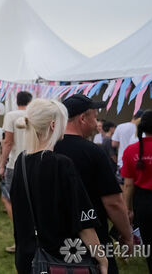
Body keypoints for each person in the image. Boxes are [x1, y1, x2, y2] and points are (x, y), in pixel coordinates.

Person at [10, 99, 107, 274]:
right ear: (53, 125)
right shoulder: (61, 164)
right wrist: (101, 257)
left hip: (28, 257)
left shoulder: (21, 162)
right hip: (61, 259)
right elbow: (83, 221)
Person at [54, 94, 133, 274]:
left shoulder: (48, 149)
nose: (97, 123)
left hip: (54, 241)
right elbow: (113, 202)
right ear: (83, 118)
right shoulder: (93, 152)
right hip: (93, 241)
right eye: (95, 117)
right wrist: (127, 235)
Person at [122, 110, 152, 273]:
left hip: (143, 203)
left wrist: (128, 209)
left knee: (150, 245)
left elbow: (128, 185)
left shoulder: (131, 150)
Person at [0, 90, 32, 254]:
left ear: (17, 101)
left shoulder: (11, 115)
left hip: (15, 164)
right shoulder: (35, 115)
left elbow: (8, 142)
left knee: (9, 199)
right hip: (34, 161)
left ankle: (21, 237)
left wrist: (1, 165)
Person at [112, 111, 144, 184]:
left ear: (133, 116)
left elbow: (114, 144)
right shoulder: (143, 129)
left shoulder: (120, 126)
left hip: (122, 162)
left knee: (123, 187)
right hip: (138, 163)